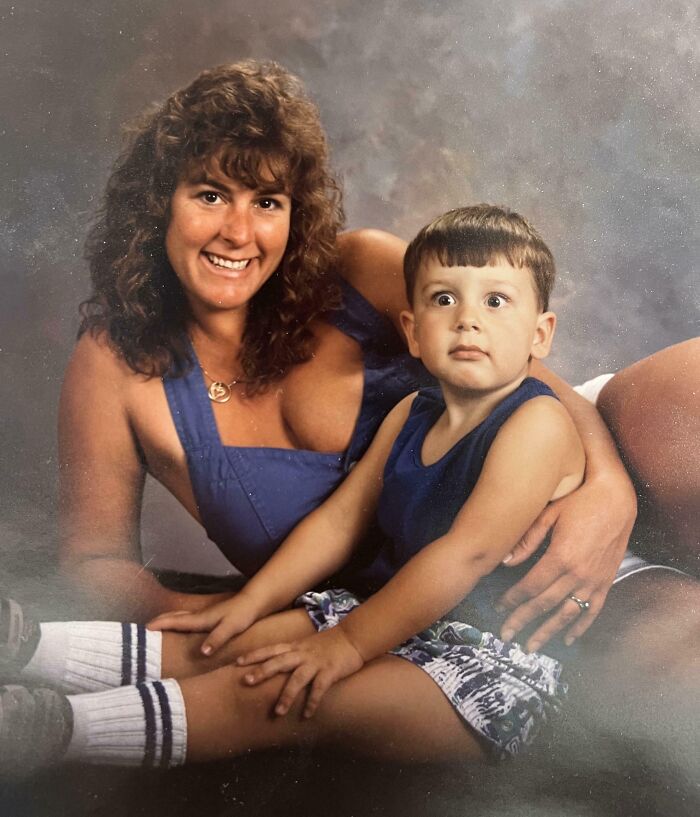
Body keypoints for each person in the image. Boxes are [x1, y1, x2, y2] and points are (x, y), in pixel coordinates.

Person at [46, 59, 698, 766]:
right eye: (210, 194)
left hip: (583, 469)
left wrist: (608, 493)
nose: (239, 231)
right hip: (474, 607)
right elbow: (94, 560)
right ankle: (43, 718)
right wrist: (217, 627)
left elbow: (545, 387)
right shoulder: (117, 360)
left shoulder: (361, 267)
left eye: (267, 201)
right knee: (674, 684)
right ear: (157, 203)